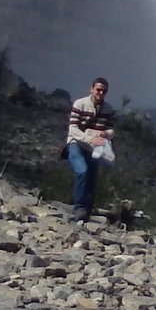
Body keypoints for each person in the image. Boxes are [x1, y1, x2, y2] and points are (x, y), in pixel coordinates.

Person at [64, 77, 117, 220]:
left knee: (92, 176)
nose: (100, 93)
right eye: (98, 89)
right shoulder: (80, 104)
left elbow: (112, 129)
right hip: (77, 143)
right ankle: (79, 207)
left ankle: (87, 208)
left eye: (104, 91)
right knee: (82, 170)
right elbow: (72, 129)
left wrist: (106, 134)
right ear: (91, 89)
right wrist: (90, 139)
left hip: (95, 147)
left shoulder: (108, 109)